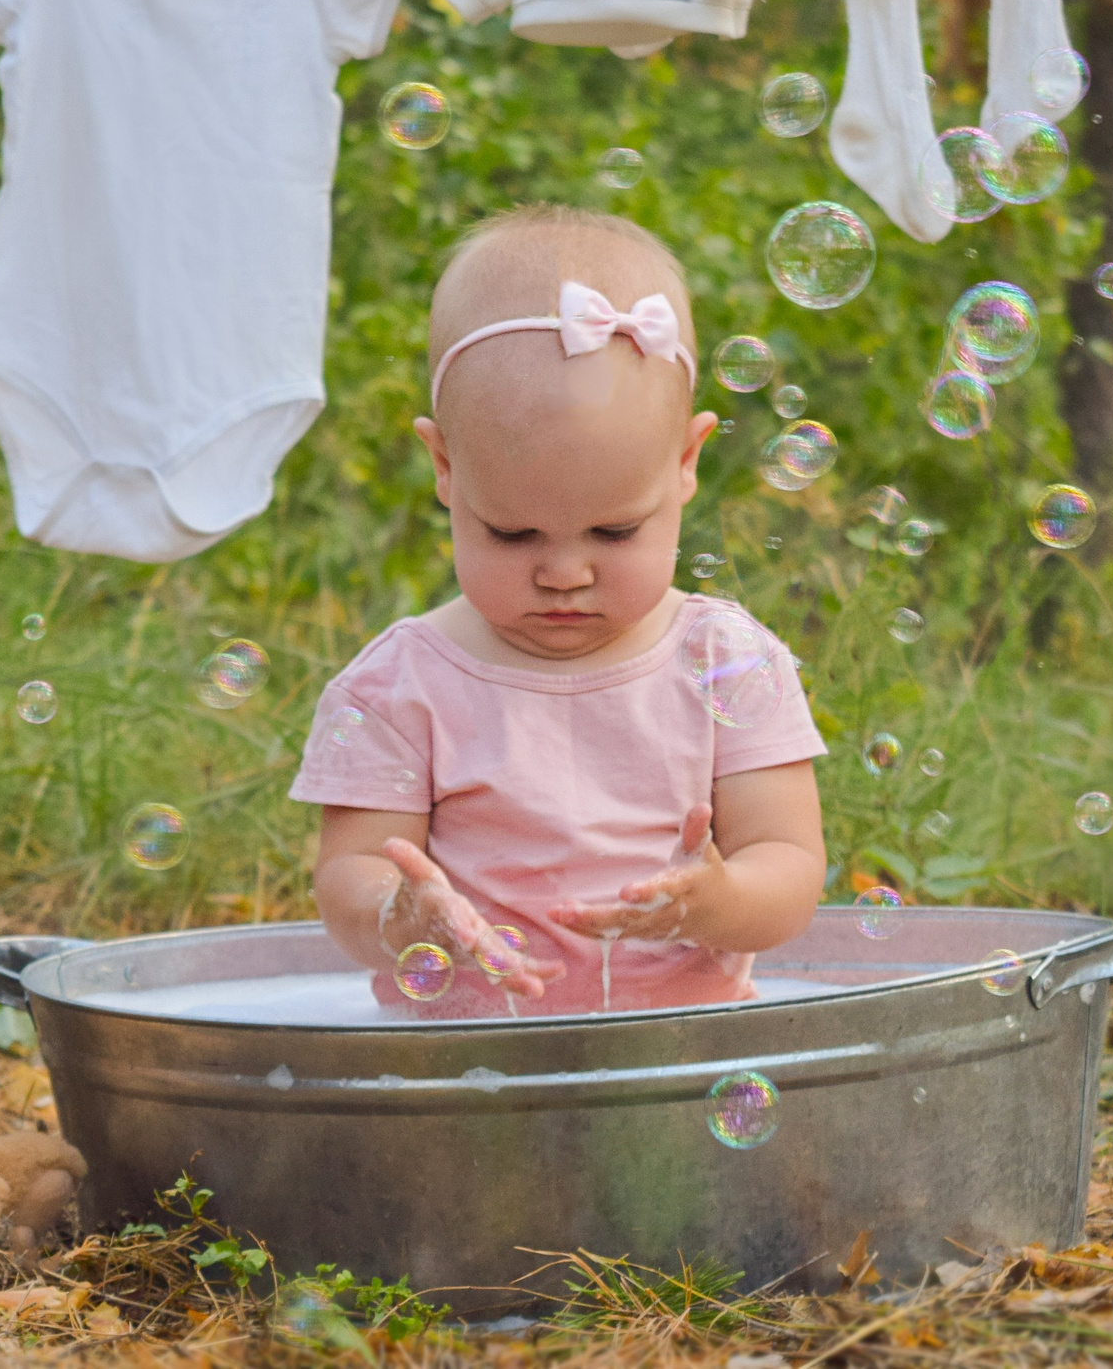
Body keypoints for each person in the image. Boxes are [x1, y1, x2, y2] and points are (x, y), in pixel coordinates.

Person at [291, 204, 828, 1016]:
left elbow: (787, 862)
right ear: (445, 467)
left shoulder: (726, 658)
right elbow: (349, 876)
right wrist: (398, 915)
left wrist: (716, 901)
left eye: (614, 530)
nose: (566, 573)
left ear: (686, 461)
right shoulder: (400, 686)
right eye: (512, 532)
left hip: (677, 1059)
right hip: (466, 1071)